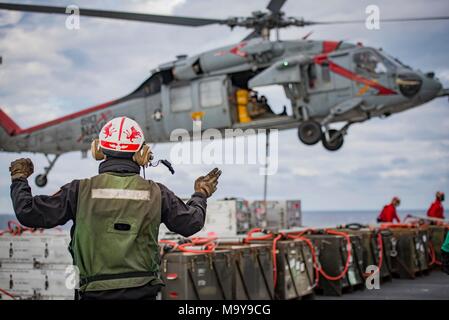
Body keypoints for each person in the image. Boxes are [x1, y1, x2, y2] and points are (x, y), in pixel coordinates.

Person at [9, 116, 222, 300]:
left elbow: (28, 213)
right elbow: (191, 223)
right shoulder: (157, 192)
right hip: (142, 292)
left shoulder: (79, 190)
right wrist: (200, 194)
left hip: (93, 292)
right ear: (143, 154)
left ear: (98, 150)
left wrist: (20, 179)